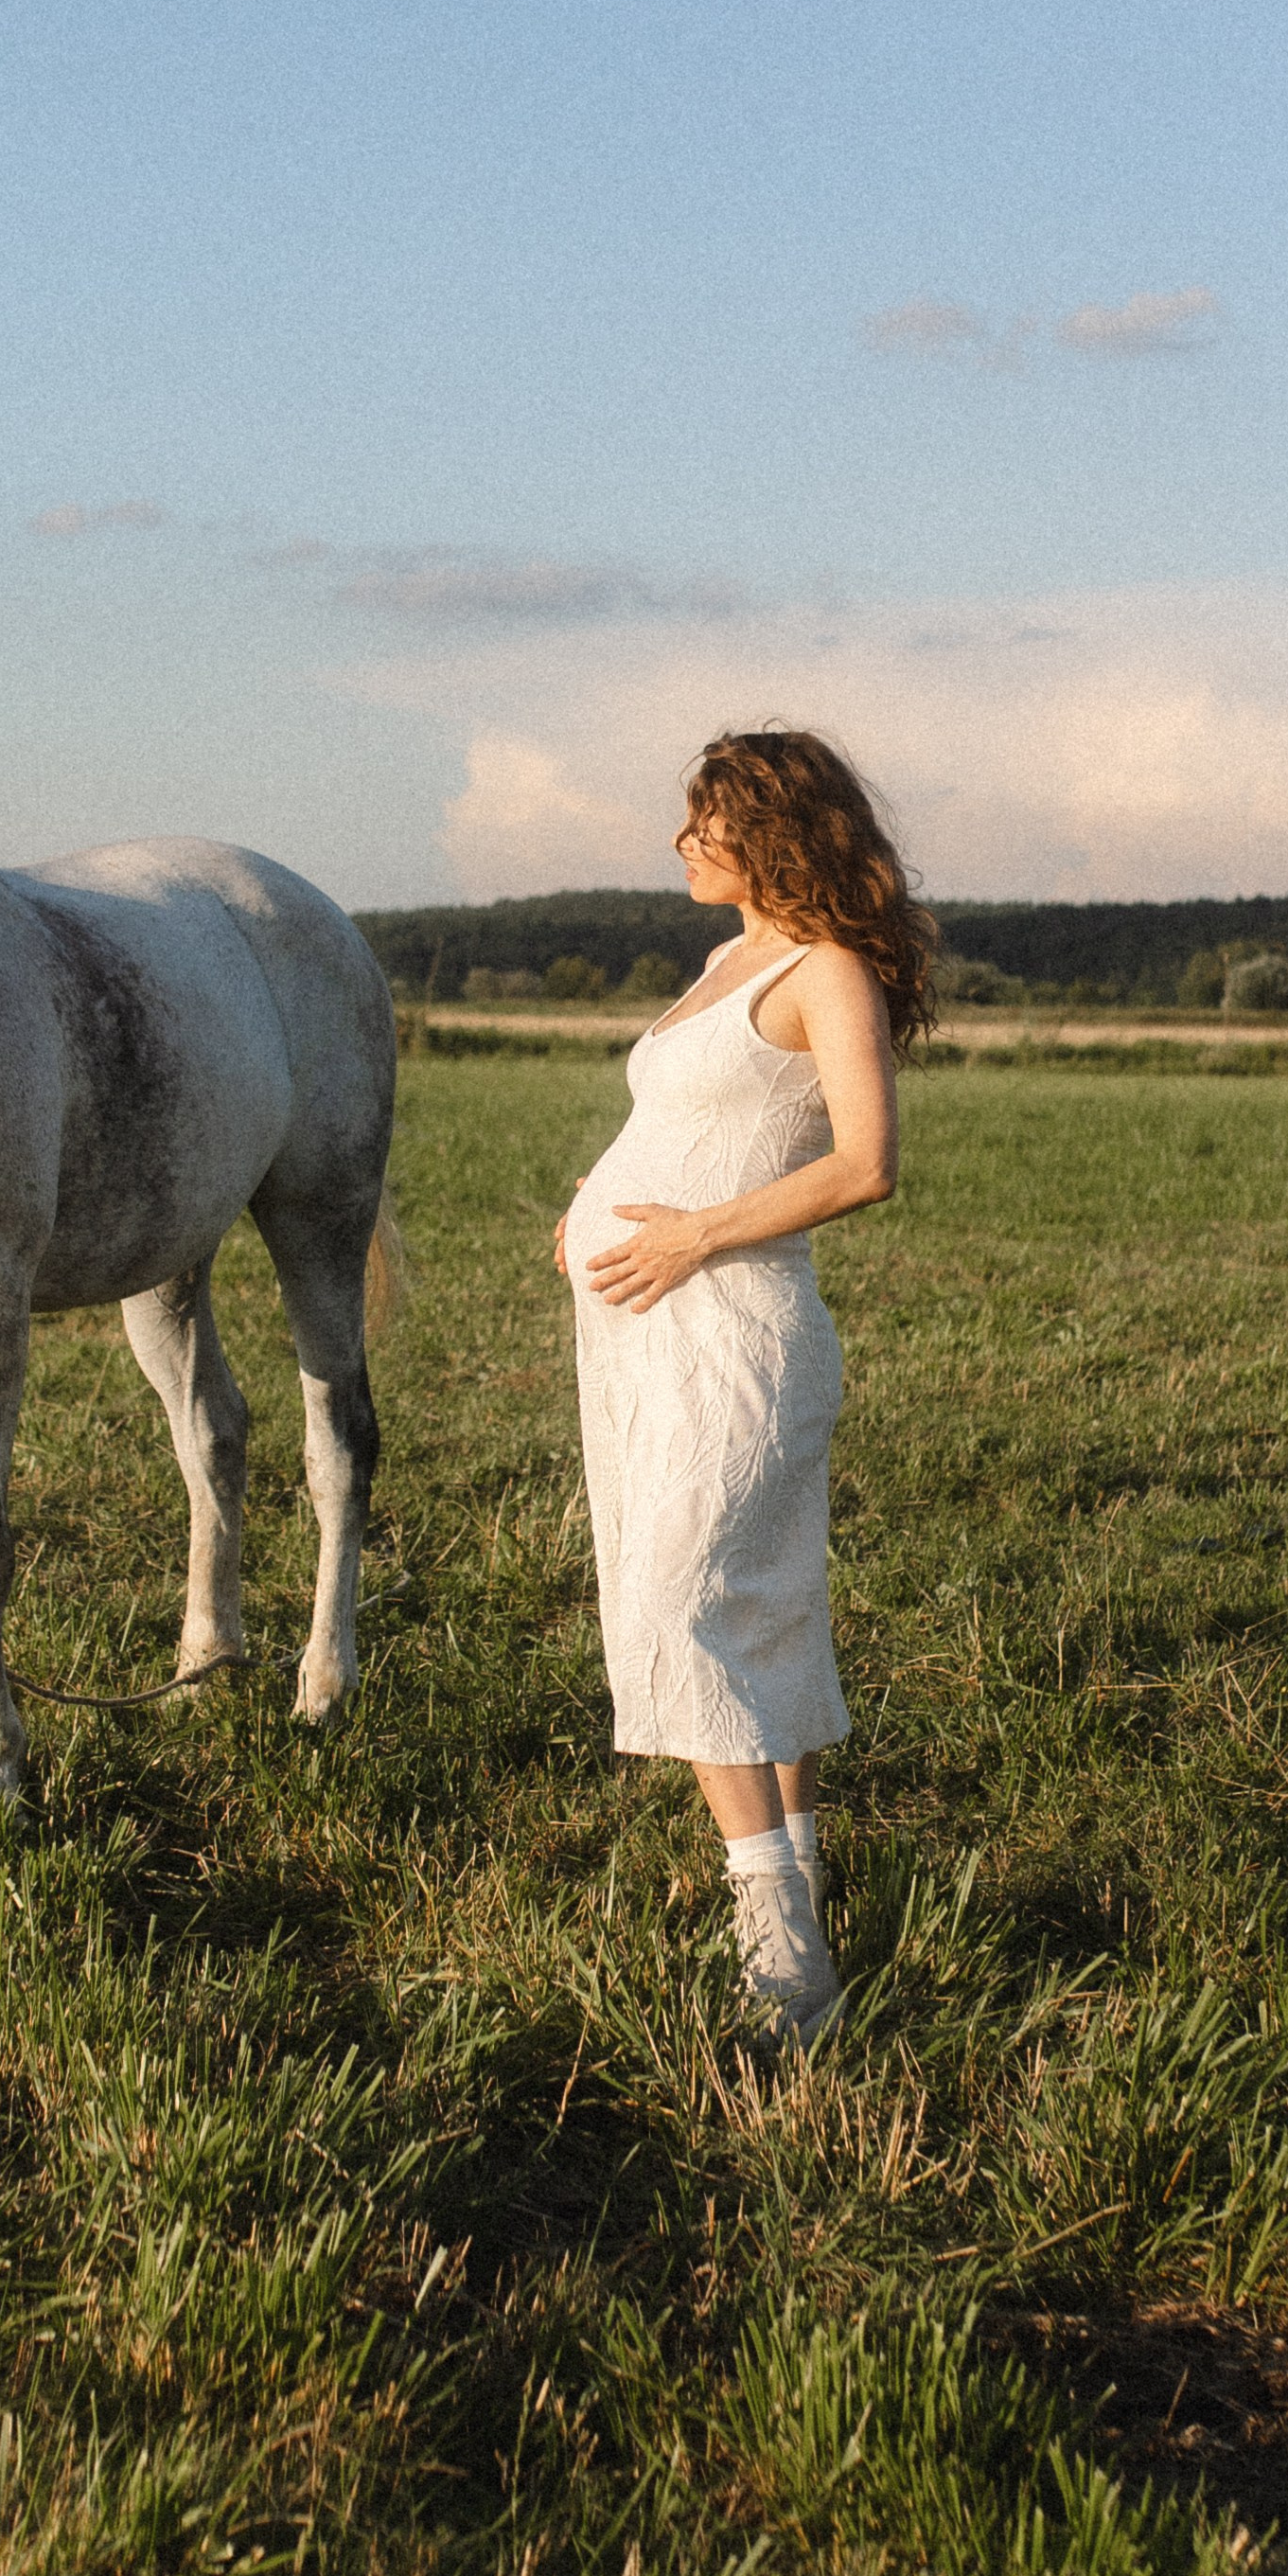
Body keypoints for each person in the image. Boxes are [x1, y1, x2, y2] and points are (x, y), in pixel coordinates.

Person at [556, 730, 937, 2048]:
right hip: (646, 1332)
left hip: (737, 1329)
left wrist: (691, 1234)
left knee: (692, 1604)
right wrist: (587, 1209)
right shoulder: (727, 962)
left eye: (705, 820)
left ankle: (777, 1946)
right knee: (759, 1606)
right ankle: (807, 1892)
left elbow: (866, 1162)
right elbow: (675, 1118)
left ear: (773, 832)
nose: (682, 842)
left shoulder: (828, 970)